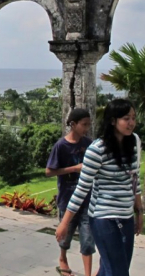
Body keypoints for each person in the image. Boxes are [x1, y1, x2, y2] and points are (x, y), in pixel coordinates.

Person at [56, 99, 143, 276]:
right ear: (113, 120)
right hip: (104, 219)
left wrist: (139, 213)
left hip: (126, 217)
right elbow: (82, 189)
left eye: (133, 118)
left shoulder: (132, 143)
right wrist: (64, 223)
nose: (131, 123)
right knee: (117, 272)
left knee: (113, 269)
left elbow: (135, 181)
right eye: (126, 118)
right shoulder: (97, 149)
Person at [46, 108, 95, 276]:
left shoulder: (88, 144)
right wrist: (74, 168)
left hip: (88, 199)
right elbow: (49, 171)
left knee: (88, 238)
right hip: (67, 198)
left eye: (88, 125)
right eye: (84, 124)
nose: (86, 128)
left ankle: (87, 273)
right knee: (65, 234)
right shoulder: (61, 146)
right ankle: (62, 258)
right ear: (73, 124)